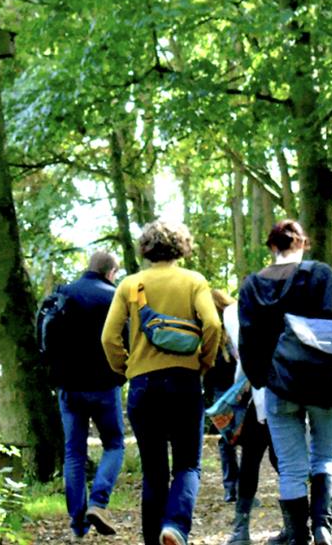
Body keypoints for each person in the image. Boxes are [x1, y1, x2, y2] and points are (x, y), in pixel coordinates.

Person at [238, 220, 332, 545]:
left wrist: (259, 384)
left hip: (280, 387)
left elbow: (248, 343)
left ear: (271, 247)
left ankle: (297, 538)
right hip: (327, 384)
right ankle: (323, 528)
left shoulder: (252, 286)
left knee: (292, 469)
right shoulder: (322, 275)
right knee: (325, 456)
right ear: (303, 244)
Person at [102, 221, 223, 545]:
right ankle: (176, 527)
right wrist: (204, 362)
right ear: (181, 246)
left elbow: (108, 336)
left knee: (154, 473)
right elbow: (212, 323)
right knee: (187, 465)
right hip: (184, 383)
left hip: (143, 386)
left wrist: (126, 368)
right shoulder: (194, 281)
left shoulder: (130, 284)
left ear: (146, 248)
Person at [49, 251, 127, 540]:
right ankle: (98, 502)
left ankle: (77, 525)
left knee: (74, 454)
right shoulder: (113, 296)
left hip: (68, 388)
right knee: (115, 444)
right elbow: (126, 338)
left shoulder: (63, 294)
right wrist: (123, 373)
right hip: (104, 385)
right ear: (111, 271)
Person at [214, 289, 284, 545]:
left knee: (252, 460)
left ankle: (241, 531)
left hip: (260, 394)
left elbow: (245, 361)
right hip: (284, 392)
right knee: (282, 461)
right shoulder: (281, 307)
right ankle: (298, 527)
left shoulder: (233, 314)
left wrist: (236, 394)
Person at [204, 292, 241, 504]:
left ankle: (232, 487)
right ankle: (236, 487)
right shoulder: (233, 328)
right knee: (234, 439)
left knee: (228, 440)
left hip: (227, 389)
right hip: (235, 388)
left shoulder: (216, 333)